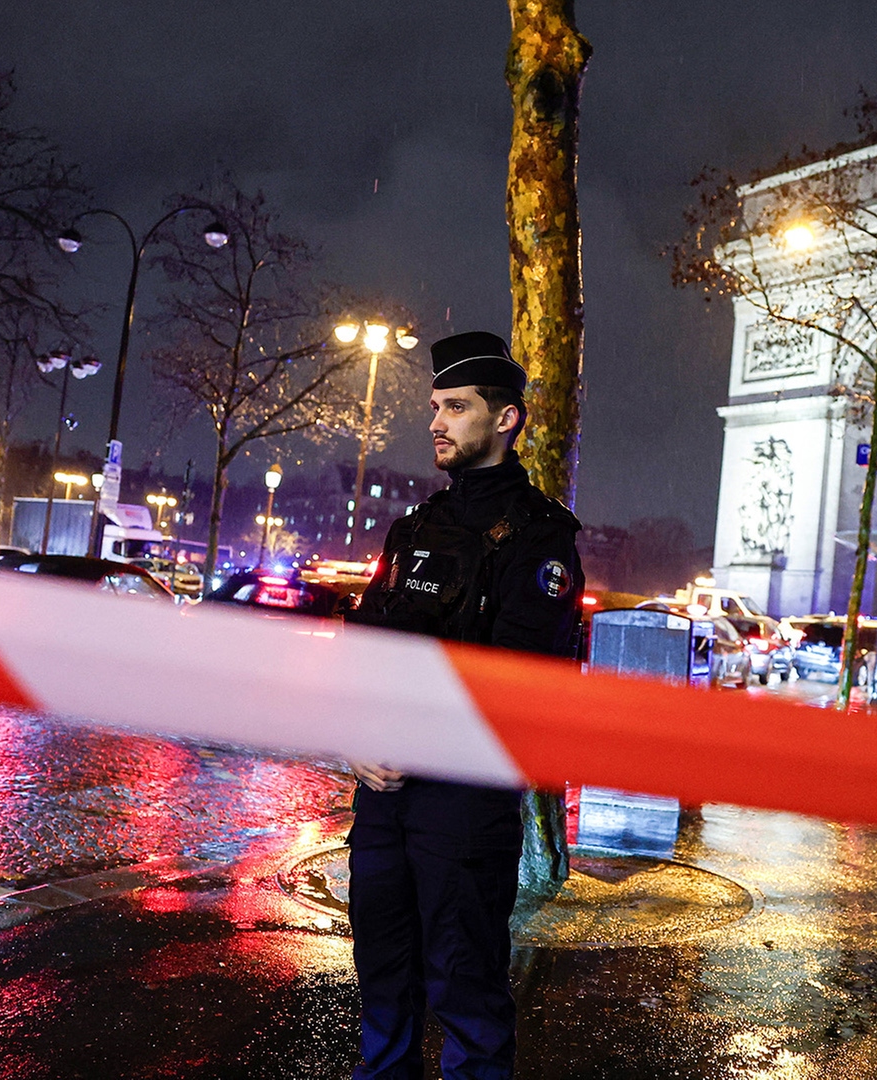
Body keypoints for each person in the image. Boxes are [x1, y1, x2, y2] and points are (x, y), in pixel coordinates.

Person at [343, 330, 583, 1080]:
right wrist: (353, 736)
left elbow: (521, 684)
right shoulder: (413, 529)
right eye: (434, 407)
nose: (435, 422)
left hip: (464, 808)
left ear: (505, 419)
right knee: (382, 981)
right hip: (383, 799)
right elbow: (365, 651)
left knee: (467, 996)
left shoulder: (542, 540)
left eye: (455, 407)